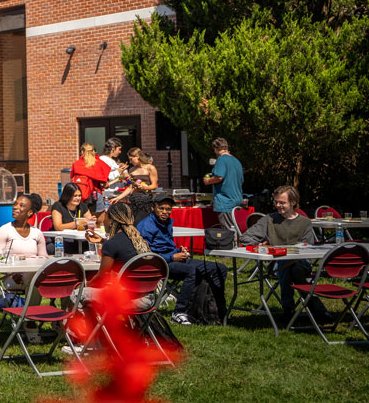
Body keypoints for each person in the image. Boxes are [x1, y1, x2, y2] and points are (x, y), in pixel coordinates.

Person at [240, 185, 332, 321]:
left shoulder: (305, 222)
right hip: (277, 262)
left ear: (293, 202)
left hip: (301, 262)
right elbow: (245, 237)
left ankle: (288, 309)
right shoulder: (269, 219)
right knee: (286, 264)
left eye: (282, 202)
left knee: (291, 267)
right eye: (276, 202)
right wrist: (259, 244)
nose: (278, 205)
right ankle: (318, 311)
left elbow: (308, 247)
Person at [136, 192, 228, 325]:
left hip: (173, 258)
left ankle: (218, 311)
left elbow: (166, 246)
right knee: (191, 271)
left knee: (220, 268)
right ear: (153, 208)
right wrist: (172, 256)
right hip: (158, 264)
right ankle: (179, 312)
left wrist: (179, 250)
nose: (164, 212)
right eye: (161, 208)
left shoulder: (167, 223)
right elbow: (147, 255)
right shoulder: (146, 226)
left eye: (168, 209)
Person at [0, 194, 49, 314]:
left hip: (32, 276)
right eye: (15, 204)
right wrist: (13, 273)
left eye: (21, 205)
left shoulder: (37, 233)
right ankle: (30, 320)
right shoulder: (4, 231)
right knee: (35, 282)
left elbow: (44, 258)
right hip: (12, 278)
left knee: (35, 279)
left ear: (29, 212)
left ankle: (61, 321)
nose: (15, 207)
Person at [203, 138, 244, 238]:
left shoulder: (221, 159)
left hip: (225, 200)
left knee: (228, 232)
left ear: (216, 149)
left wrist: (208, 181)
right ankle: (236, 249)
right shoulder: (236, 161)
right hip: (237, 200)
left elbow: (219, 177)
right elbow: (241, 180)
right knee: (235, 229)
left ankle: (229, 251)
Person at [111, 148, 157, 221]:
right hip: (134, 199)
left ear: (137, 156)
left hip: (145, 198)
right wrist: (118, 198)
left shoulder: (150, 168)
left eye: (131, 159)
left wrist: (145, 187)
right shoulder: (132, 170)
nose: (130, 162)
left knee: (144, 221)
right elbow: (130, 187)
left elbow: (154, 185)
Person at [51, 182, 95, 253]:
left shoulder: (83, 206)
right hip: (61, 241)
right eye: (75, 196)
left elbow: (89, 222)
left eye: (79, 195)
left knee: (92, 245)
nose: (78, 198)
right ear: (67, 196)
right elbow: (58, 227)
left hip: (79, 240)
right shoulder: (58, 206)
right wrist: (77, 223)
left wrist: (91, 222)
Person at [71, 142, 109, 219]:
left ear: (82, 152)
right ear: (93, 151)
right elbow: (105, 182)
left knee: (82, 220)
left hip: (80, 196)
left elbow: (72, 178)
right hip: (95, 195)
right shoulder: (99, 164)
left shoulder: (76, 164)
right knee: (99, 221)